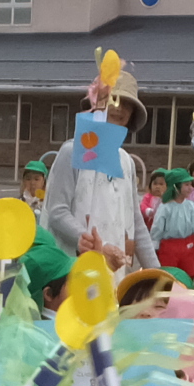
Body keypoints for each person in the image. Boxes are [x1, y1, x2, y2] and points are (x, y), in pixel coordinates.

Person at [44, 62, 158, 273]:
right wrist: (88, 240)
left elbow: (135, 220)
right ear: (96, 104)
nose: (120, 108)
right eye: (114, 99)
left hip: (113, 270)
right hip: (74, 269)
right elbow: (57, 212)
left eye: (128, 104)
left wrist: (159, 274)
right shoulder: (72, 151)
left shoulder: (126, 161)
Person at [152, 169, 194, 281]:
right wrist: (154, 248)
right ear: (176, 186)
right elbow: (157, 230)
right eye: (186, 185)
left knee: (188, 276)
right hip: (168, 249)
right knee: (168, 277)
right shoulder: (165, 207)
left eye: (190, 184)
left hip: (189, 247)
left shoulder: (192, 207)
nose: (190, 188)